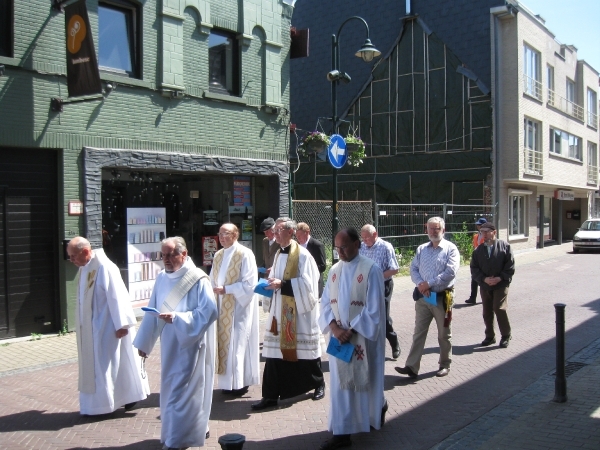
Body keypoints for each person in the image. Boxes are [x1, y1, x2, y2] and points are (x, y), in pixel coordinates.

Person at [133, 237, 218, 449]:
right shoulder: (162, 278)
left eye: (171, 255)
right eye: (163, 255)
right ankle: (187, 430)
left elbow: (210, 311)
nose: (166, 259)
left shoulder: (198, 279)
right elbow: (153, 308)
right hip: (169, 344)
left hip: (190, 343)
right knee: (171, 388)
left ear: (184, 254)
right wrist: (145, 343)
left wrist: (179, 318)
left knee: (184, 390)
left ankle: (177, 440)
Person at [318, 228, 387, 450]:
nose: (340, 252)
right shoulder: (335, 270)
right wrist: (335, 328)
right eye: (337, 247)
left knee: (366, 382)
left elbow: (375, 308)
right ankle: (343, 431)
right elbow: (325, 302)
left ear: (357, 244)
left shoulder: (371, 270)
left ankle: (377, 408)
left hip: (363, 339)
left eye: (344, 246)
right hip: (340, 339)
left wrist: (352, 329)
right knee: (341, 386)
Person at [66, 236, 149, 416]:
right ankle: (120, 399)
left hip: (108, 327)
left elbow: (117, 296)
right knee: (108, 365)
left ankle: (103, 405)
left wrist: (122, 324)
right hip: (92, 328)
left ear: (86, 252)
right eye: (70, 257)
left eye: (73, 256)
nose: (71, 261)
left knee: (106, 365)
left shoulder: (104, 267)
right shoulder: (85, 267)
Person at [251, 217, 325, 410]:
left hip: (298, 313)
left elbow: (310, 285)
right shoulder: (278, 254)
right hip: (280, 311)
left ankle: (318, 384)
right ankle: (270, 396)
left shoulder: (302, 255)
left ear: (290, 232)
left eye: (278, 230)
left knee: (305, 353)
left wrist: (282, 284)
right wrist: (270, 281)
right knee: (274, 355)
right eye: (274, 230)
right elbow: (277, 276)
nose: (274, 234)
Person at [395, 217, 459, 379]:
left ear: (443, 230)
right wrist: (420, 284)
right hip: (423, 298)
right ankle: (411, 366)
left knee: (444, 333)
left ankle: (445, 364)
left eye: (436, 228)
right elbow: (413, 269)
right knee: (418, 333)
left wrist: (428, 284)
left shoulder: (451, 249)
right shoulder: (422, 249)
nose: (433, 232)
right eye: (430, 228)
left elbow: (450, 272)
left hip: (444, 297)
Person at [210, 223, 260, 396]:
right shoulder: (218, 255)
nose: (222, 237)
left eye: (226, 234)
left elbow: (250, 284)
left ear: (235, 235)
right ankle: (227, 383)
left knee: (238, 344)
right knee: (225, 345)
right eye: (220, 234)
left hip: (239, 307)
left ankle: (241, 382)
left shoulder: (245, 254)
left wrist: (227, 290)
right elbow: (212, 279)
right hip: (221, 306)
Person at [470, 222, 515, 348]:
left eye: (486, 231)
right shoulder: (478, 250)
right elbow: (474, 268)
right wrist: (484, 279)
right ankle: (490, 336)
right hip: (485, 285)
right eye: (482, 232)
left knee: (499, 308)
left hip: (501, 284)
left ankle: (506, 335)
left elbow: (510, 267)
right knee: (487, 311)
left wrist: (500, 278)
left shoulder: (504, 246)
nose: (484, 234)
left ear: (494, 232)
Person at [359, 224, 400, 359]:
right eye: (363, 238)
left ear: (375, 235)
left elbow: (394, 269)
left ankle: (394, 343)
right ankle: (369, 349)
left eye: (367, 238)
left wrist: (376, 276)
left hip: (383, 285)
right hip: (365, 286)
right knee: (366, 315)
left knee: (382, 317)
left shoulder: (386, 247)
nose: (364, 241)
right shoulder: (361, 247)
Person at [296, 222, 327, 297]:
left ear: (307, 233)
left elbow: (322, 265)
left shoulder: (317, 245)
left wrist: (308, 271)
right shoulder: (296, 245)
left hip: (314, 283)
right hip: (300, 283)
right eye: (296, 236)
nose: (298, 238)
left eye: (300, 235)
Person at [465, 218, 487, 304]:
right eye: (478, 225)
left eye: (480, 225)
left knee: (484, 279)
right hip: (476, 260)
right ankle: (472, 298)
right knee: (474, 278)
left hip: (485, 260)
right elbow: (475, 247)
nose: (478, 226)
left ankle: (486, 297)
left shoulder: (487, 236)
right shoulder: (476, 236)